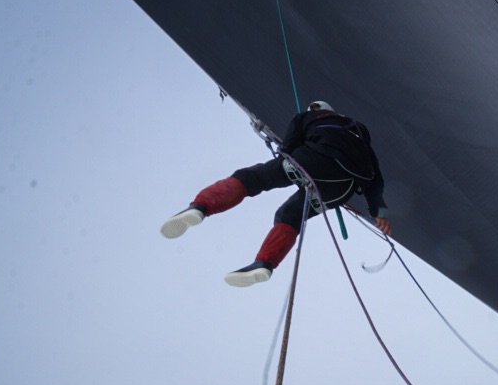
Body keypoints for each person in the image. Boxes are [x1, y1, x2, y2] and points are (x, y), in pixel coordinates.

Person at [160, 101, 389, 286]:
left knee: (251, 178)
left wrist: (283, 163)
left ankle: (200, 207)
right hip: (342, 189)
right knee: (290, 214)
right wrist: (378, 212)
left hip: (313, 163)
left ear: (314, 110)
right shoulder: (359, 130)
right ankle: (263, 264)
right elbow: (375, 175)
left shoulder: (305, 117)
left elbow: (288, 146)